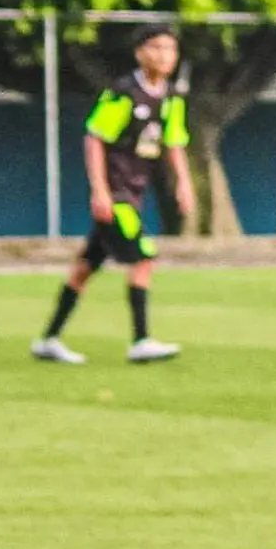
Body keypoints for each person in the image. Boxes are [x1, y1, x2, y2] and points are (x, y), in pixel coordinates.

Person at [32, 25, 194, 365]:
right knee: (144, 257)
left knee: (85, 268)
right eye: (156, 47)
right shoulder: (124, 93)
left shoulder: (171, 97)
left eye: (170, 49)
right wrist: (101, 191)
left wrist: (183, 182)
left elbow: (175, 142)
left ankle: (48, 340)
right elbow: (94, 137)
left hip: (135, 192)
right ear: (140, 52)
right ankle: (141, 340)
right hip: (117, 195)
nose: (165, 56)